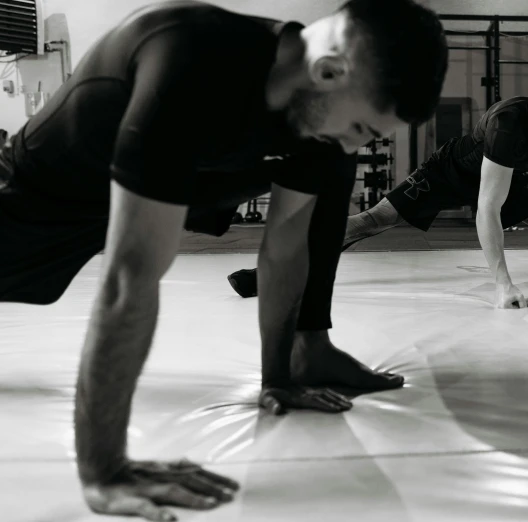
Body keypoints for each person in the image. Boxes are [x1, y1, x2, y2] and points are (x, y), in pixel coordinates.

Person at [0, 0, 448, 519]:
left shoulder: (318, 108)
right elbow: (130, 281)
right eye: (362, 129)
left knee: (330, 171)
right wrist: (105, 469)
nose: (356, 144)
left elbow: (283, 246)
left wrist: (276, 379)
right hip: (43, 195)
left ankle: (303, 355)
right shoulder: (189, 57)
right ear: (328, 71)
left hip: (188, 176)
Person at [228, 73, 528, 308]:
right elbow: (487, 207)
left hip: (504, 175)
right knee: (369, 222)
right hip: (450, 170)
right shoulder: (509, 125)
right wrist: (502, 284)